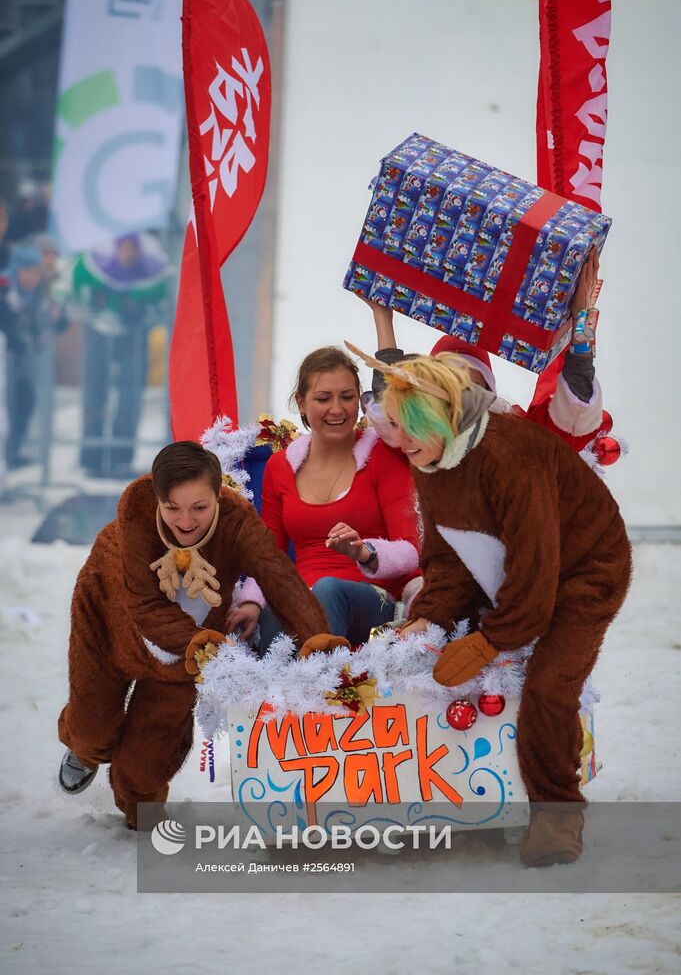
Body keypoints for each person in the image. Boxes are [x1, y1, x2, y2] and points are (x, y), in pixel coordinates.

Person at [361, 348, 631, 865]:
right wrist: (429, 616)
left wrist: (490, 640)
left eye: (406, 427)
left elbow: (536, 571)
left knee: (551, 683)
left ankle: (558, 814)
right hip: (513, 565)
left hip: (585, 569)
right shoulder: (430, 454)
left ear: (437, 416)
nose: (399, 439)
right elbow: (447, 552)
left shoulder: (512, 457)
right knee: (441, 657)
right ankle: (470, 804)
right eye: (393, 426)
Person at [57, 441, 345, 829]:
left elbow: (280, 579)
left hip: (188, 648)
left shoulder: (237, 521)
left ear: (218, 497)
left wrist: (316, 638)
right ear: (157, 499)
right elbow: (144, 608)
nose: (186, 520)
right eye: (172, 507)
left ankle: (139, 796)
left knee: (148, 760)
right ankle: (84, 750)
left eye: (199, 507)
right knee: (93, 724)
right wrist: (198, 642)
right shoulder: (137, 519)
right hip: (110, 620)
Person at [227, 347, 421, 653]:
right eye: (323, 398)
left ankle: (317, 689)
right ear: (301, 404)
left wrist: (365, 552)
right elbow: (268, 556)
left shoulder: (382, 455)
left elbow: (411, 549)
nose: (337, 409)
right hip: (301, 598)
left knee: (327, 591)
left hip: (373, 602)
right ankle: (275, 697)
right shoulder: (279, 468)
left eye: (347, 397)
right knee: (280, 608)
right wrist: (251, 602)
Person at [361, 249, 605, 453]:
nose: (462, 395)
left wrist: (579, 318)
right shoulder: (418, 440)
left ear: (489, 394)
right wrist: (382, 316)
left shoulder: (518, 440)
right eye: (451, 383)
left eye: (471, 387)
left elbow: (572, 415)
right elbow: (390, 408)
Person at [71, 232, 172, 478]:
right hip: (98, 332)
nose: (128, 253)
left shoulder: (152, 267)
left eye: (132, 249)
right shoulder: (97, 263)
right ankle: (91, 457)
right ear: (116, 248)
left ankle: (121, 457)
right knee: (94, 393)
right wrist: (96, 303)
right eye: (124, 248)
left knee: (130, 397)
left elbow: (161, 298)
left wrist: (140, 311)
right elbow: (78, 289)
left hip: (133, 335)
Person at [0, 242, 45, 467]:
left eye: (36, 272)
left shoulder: (33, 294)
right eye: (28, 271)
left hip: (22, 361)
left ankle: (14, 450)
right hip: (6, 356)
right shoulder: (4, 286)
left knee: (24, 401)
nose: (32, 277)